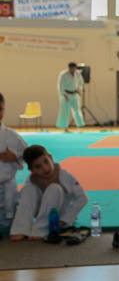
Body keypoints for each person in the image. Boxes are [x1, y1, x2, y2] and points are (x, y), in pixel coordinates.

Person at [9, 145, 88, 241]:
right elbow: (24, 201)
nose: (45, 168)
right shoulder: (32, 179)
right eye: (38, 167)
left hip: (59, 214)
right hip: (41, 212)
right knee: (28, 189)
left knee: (54, 188)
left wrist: (65, 219)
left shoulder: (63, 175)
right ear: (31, 170)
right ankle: (21, 229)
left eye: (46, 161)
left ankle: (41, 229)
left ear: (50, 157)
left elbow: (82, 198)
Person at [0, 93, 28, 228]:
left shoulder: (10, 135)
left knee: (8, 223)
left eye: (0, 109)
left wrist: (15, 157)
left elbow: (29, 155)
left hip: (7, 188)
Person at [56, 61, 85, 132]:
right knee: (65, 112)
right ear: (69, 68)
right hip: (66, 94)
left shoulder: (78, 74)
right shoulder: (63, 74)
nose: (73, 70)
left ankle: (79, 127)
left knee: (77, 111)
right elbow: (60, 85)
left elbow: (81, 82)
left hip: (75, 94)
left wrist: (79, 90)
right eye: (72, 68)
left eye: (74, 68)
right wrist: (64, 95)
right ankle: (65, 128)